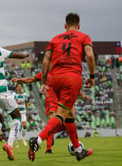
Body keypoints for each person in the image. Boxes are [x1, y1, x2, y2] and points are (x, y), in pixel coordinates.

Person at [28, 12, 95, 162]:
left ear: (65, 26)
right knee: (62, 114)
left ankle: (78, 150)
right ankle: (38, 140)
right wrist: (92, 76)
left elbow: (45, 63)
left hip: (56, 78)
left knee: (69, 113)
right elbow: (90, 56)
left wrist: (44, 82)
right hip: (72, 76)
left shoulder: (54, 39)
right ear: (79, 26)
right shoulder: (83, 37)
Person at [12, 71, 89, 154]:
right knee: (52, 120)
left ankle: (49, 135)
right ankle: (48, 148)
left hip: (61, 101)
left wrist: (81, 94)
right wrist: (19, 79)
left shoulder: (61, 72)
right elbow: (31, 79)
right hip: (51, 102)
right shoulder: (45, 74)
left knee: (67, 123)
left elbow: (71, 84)